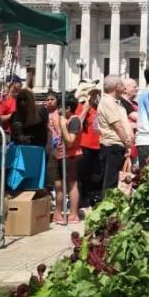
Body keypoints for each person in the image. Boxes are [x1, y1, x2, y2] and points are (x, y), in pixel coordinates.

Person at [45, 91, 82, 224]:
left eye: (61, 107)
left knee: (72, 184)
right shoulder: (66, 119)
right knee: (58, 184)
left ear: (68, 108)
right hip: (60, 154)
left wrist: (62, 126)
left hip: (71, 156)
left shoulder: (74, 120)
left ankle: (73, 213)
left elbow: (70, 140)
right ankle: (57, 213)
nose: (59, 110)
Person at [97, 75, 133, 198]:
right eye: (122, 85)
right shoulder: (107, 102)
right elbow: (117, 126)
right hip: (112, 145)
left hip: (118, 145)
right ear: (117, 87)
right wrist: (127, 141)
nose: (124, 87)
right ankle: (108, 209)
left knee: (117, 181)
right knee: (111, 181)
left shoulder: (117, 103)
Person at [74, 80, 103, 207]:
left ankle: (93, 198)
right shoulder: (80, 106)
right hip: (85, 145)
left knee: (95, 175)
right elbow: (76, 124)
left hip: (98, 145)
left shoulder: (97, 108)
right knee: (83, 175)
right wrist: (85, 110)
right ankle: (83, 199)